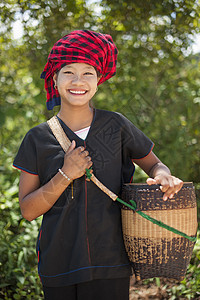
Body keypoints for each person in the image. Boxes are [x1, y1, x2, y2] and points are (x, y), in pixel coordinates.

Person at [13, 30, 183, 300]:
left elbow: (155, 165)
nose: (78, 81)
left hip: (112, 262)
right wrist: (65, 174)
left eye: (88, 73)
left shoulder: (116, 125)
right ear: (54, 78)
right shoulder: (37, 138)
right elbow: (28, 210)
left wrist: (164, 176)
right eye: (68, 72)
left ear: (98, 80)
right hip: (59, 265)